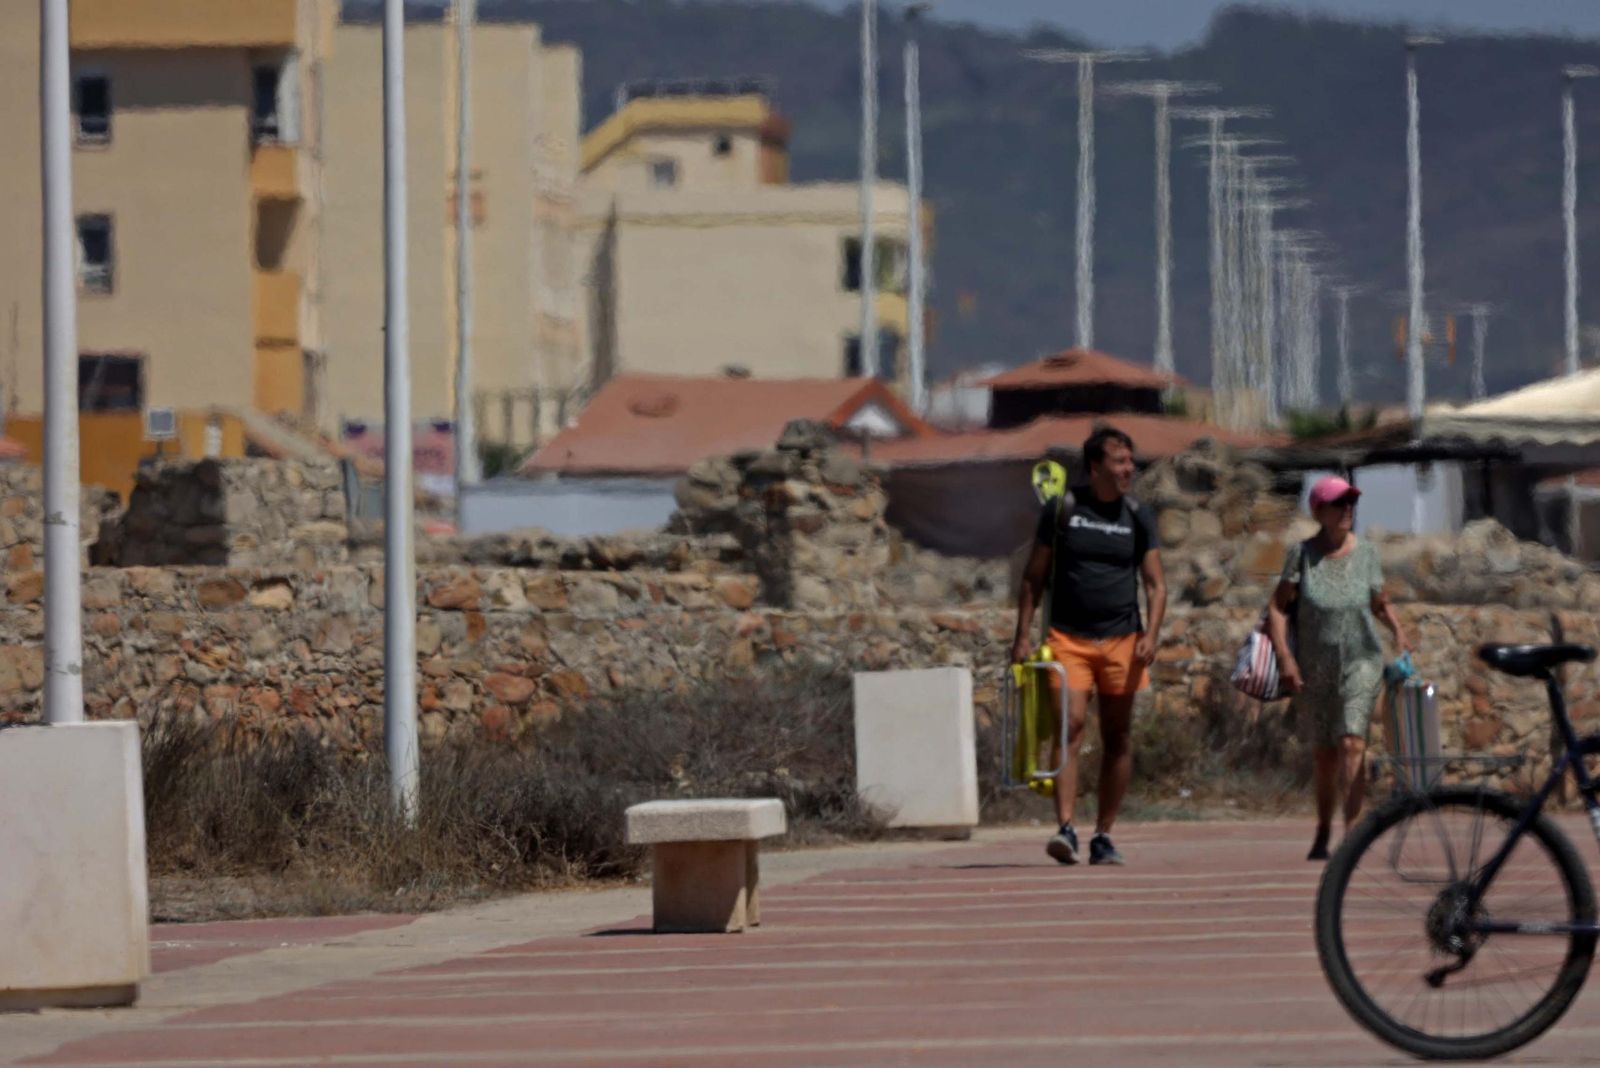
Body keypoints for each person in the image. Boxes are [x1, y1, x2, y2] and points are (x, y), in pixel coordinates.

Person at [1012, 426, 1167, 866]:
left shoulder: (1137, 515)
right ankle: (1065, 828)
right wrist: (1022, 635)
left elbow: (1156, 585)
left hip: (1123, 640)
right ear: (1096, 467)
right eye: (1120, 462)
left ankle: (1103, 834)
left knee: (1118, 736)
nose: (1129, 469)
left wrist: (1151, 635)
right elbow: (1033, 578)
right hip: (1069, 638)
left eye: (1131, 461)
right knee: (1071, 725)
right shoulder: (1064, 508)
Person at [1267, 475, 1408, 862]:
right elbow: (1277, 608)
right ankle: (1324, 827)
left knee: (1352, 742)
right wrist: (1286, 658)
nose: (1348, 510)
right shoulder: (1301, 555)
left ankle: (1352, 837)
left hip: (1362, 660)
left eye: (1351, 503)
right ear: (1318, 511)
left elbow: (1379, 602)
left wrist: (1397, 629)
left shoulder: (1367, 554)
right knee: (1325, 755)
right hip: (1315, 668)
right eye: (1339, 503)